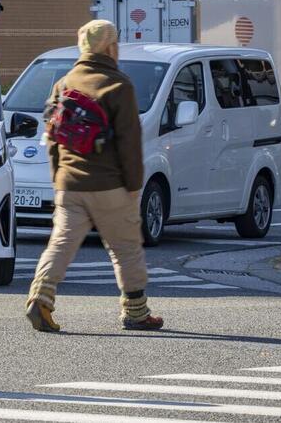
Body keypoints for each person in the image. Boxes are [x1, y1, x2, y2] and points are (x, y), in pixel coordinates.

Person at [25, 20, 164, 332]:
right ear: (110, 47)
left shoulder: (63, 83)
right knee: (125, 248)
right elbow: (129, 143)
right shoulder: (119, 85)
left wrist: (57, 178)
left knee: (60, 244)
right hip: (109, 185)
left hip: (69, 184)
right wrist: (134, 186)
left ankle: (41, 298)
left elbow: (53, 137)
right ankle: (136, 311)